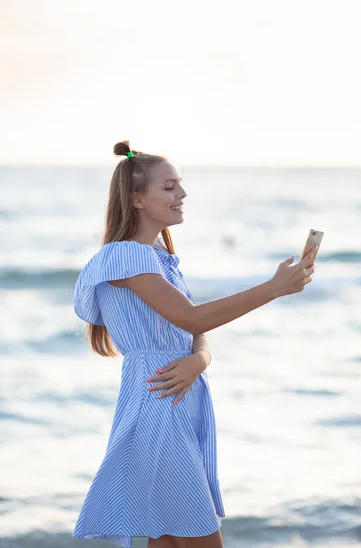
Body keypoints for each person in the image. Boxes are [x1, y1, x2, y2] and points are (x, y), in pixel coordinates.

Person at [72, 140, 317, 548]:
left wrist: (200, 359)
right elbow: (193, 318)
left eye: (180, 185)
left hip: (176, 399)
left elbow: (192, 326)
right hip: (159, 403)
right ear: (137, 199)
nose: (182, 194)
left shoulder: (156, 256)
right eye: (169, 187)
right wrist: (273, 288)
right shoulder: (124, 256)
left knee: (168, 540)